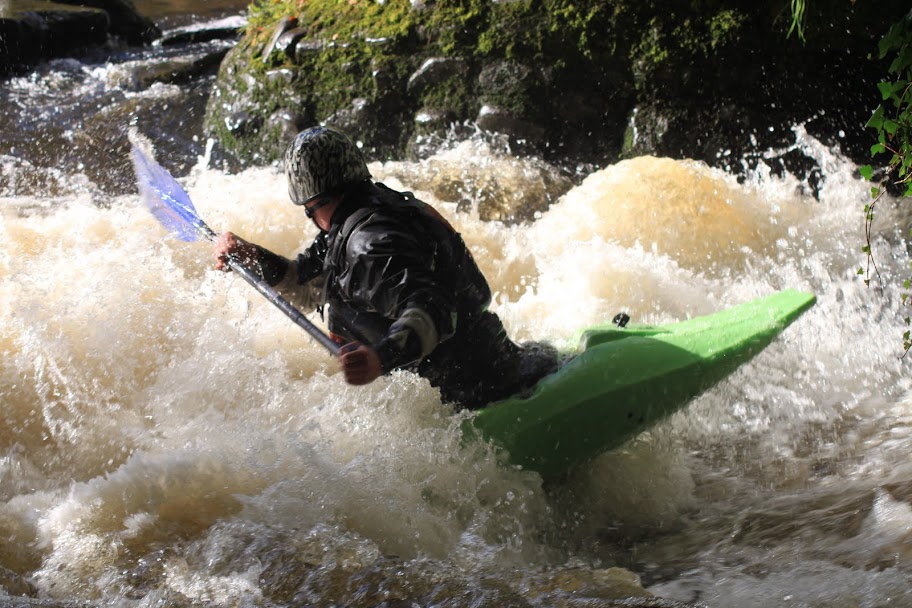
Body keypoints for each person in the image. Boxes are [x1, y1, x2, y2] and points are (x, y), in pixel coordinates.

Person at [213, 126, 555, 409]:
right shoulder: (370, 210)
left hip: (477, 394)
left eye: (309, 210)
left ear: (317, 201)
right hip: (496, 360)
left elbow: (433, 307)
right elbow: (303, 287)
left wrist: (380, 357)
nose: (311, 219)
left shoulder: (368, 246)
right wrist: (250, 255)